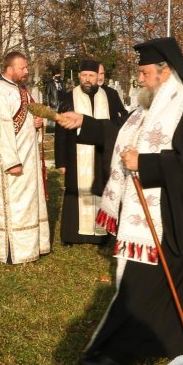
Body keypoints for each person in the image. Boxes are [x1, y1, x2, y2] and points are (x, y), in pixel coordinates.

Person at [79, 38, 183, 365]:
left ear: (165, 71)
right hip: (144, 212)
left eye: (144, 73)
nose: (139, 80)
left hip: (170, 217)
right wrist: (83, 124)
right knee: (137, 282)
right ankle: (134, 345)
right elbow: (122, 134)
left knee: (137, 287)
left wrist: (146, 163)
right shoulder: (151, 104)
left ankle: (118, 350)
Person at [0, 51, 50, 264]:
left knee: (28, 204)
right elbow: (0, 130)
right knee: (13, 205)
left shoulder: (20, 90)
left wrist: (37, 122)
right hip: (12, 162)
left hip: (28, 158)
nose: (27, 71)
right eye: (23, 68)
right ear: (10, 69)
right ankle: (12, 251)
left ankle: (31, 246)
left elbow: (26, 119)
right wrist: (12, 162)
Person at [54, 59, 126, 245]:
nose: (87, 79)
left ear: (98, 77)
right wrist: (61, 161)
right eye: (84, 75)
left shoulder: (109, 96)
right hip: (76, 154)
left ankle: (102, 234)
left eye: (91, 76)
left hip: (103, 153)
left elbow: (121, 122)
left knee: (103, 190)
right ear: (79, 76)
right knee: (74, 193)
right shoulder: (69, 98)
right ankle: (72, 235)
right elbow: (60, 131)